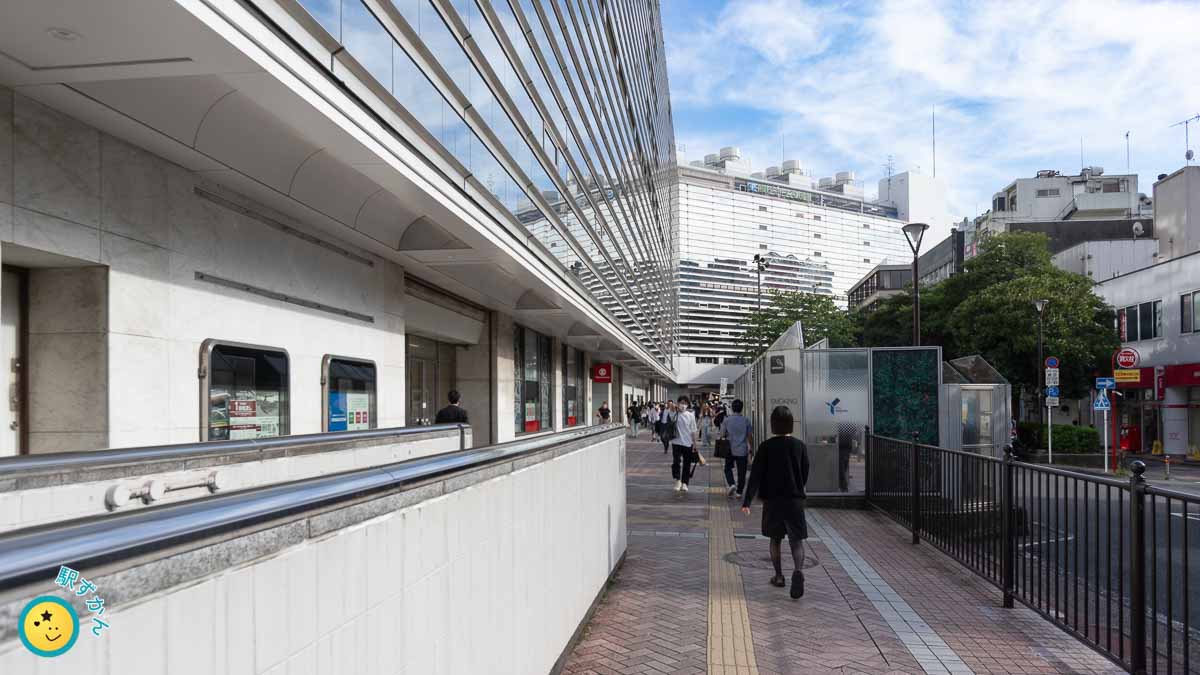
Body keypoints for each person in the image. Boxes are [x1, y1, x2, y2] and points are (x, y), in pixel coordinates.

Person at [741, 405, 810, 599]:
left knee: (775, 539)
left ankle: (779, 576)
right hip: (795, 500)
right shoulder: (799, 446)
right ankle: (798, 570)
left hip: (773, 501)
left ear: (772, 424)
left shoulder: (766, 447)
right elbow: (805, 472)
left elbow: (755, 476)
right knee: (796, 541)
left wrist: (747, 501)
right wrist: (798, 487)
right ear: (791, 424)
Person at [721, 399, 753, 498]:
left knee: (727, 468)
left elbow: (722, 434)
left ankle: (731, 484)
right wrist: (751, 447)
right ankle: (739, 492)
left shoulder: (727, 420)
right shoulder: (746, 420)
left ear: (732, 408)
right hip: (742, 450)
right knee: (742, 472)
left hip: (730, 448)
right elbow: (749, 436)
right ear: (741, 408)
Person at [671, 396, 699, 492]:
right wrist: (673, 407)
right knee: (676, 462)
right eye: (681, 403)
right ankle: (678, 480)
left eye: (685, 403)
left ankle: (685, 483)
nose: (683, 405)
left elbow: (694, 430)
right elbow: (669, 410)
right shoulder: (674, 413)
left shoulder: (690, 415)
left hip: (688, 443)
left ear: (688, 405)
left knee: (687, 464)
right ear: (678, 403)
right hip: (676, 442)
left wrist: (695, 444)